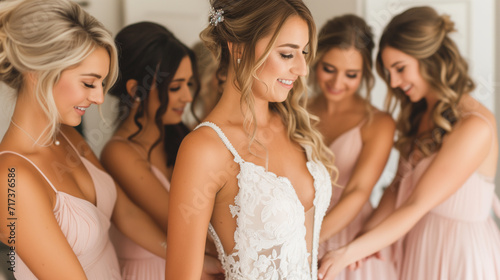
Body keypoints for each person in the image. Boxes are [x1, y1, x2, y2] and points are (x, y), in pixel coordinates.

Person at [318, 6, 500, 280]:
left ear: (430, 58)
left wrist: (348, 253)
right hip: (415, 244)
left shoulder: (474, 126)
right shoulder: (420, 115)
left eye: (400, 68)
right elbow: (395, 192)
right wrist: (361, 241)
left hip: (459, 254)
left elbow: (415, 204)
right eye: (388, 72)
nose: (393, 81)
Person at [164, 0, 334, 279]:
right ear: (239, 48)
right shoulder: (205, 149)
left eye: (303, 53)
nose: (303, 69)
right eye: (287, 55)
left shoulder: (292, 126)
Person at [0, 1, 167, 279]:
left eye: (101, 84)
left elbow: (125, 213)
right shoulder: (10, 179)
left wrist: (195, 259)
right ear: (38, 72)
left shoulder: (66, 134)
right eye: (89, 83)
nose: (99, 97)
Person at [100, 21, 223, 279]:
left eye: (189, 84)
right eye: (176, 87)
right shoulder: (118, 153)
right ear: (136, 90)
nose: (187, 97)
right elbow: (181, 224)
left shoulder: (182, 136)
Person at [308, 14, 397, 280]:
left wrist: (306, 239)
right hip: (297, 220)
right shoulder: (297, 110)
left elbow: (358, 191)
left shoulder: (379, 123)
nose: (337, 83)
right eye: (329, 69)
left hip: (348, 233)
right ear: (316, 61)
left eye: (351, 74)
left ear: (365, 73)